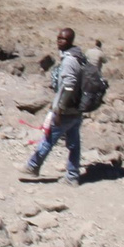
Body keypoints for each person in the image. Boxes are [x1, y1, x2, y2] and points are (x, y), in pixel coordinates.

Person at [22, 27, 97, 186]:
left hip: (67, 110)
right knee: (74, 144)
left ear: (70, 41)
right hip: (77, 108)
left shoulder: (70, 60)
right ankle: (72, 176)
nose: (59, 41)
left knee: (49, 138)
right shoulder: (79, 57)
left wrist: (59, 109)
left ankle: (33, 166)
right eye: (58, 38)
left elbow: (69, 86)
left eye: (62, 39)